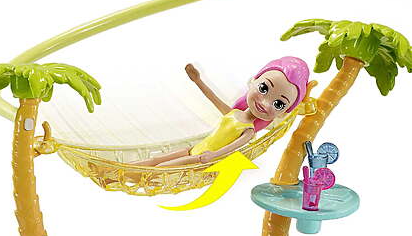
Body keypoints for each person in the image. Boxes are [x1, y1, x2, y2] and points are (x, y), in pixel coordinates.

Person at [133, 56, 310, 167]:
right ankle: (119, 172)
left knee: (161, 168)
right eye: (263, 88)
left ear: (282, 113)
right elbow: (213, 98)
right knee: (155, 160)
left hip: (201, 158)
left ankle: (128, 176)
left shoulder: (248, 131)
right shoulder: (233, 113)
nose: (264, 102)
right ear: (253, 81)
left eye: (278, 104)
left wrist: (212, 156)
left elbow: (231, 148)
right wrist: (197, 80)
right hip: (194, 149)